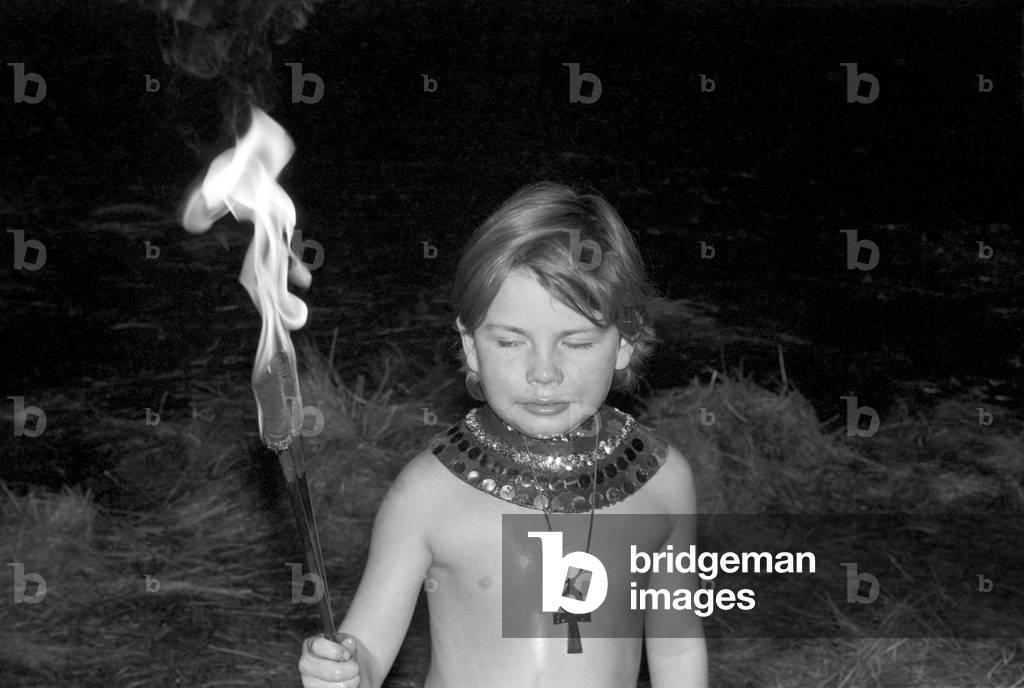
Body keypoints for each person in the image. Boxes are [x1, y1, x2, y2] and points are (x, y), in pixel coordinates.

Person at [299, 182, 708, 688]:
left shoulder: (663, 485)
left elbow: (678, 642)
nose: (543, 372)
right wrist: (344, 672)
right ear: (472, 348)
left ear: (624, 343)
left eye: (576, 342)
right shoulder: (428, 492)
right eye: (511, 342)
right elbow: (370, 648)